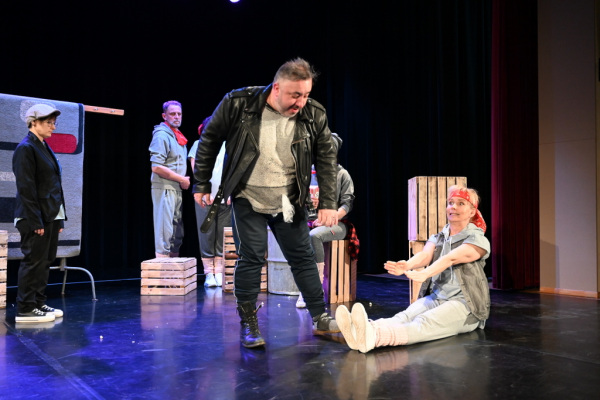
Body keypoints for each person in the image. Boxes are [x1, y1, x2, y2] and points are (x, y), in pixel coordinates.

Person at [193, 57, 341, 348]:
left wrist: (328, 202)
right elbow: (210, 139)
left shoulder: (314, 113)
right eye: (295, 95)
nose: (301, 102)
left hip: (288, 199)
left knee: (302, 257)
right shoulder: (238, 103)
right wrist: (201, 182)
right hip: (248, 196)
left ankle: (319, 316)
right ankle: (249, 324)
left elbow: (326, 156)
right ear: (276, 88)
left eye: (306, 95)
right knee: (251, 257)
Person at [336, 185, 490, 353]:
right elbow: (425, 255)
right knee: (405, 316)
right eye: (451, 202)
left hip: (465, 304)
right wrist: (407, 265)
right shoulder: (439, 236)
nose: (453, 207)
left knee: (425, 321)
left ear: (472, 211)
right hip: (438, 297)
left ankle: (374, 337)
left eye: (461, 203)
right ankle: (361, 331)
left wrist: (425, 273)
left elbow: (451, 258)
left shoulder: (477, 239)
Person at [13, 104, 67, 323]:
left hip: (50, 214)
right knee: (33, 261)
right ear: (34, 122)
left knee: (45, 260)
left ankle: (37, 302)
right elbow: (26, 188)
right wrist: (36, 220)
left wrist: (59, 217)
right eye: (48, 122)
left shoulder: (43, 146)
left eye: (54, 122)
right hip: (34, 216)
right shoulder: (26, 148)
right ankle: (25, 308)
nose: (53, 126)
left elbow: (54, 185)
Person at [296, 132, 355, 308]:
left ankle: (315, 289)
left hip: (336, 223)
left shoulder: (342, 174)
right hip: (310, 220)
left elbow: (347, 204)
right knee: (295, 236)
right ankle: (304, 288)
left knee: (314, 235)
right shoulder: (309, 174)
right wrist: (308, 202)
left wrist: (329, 217)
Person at [188, 116, 231, 287]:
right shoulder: (198, 145)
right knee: (206, 234)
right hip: (205, 197)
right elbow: (196, 170)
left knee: (221, 234)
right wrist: (203, 191)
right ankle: (209, 273)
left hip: (224, 197)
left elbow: (231, 170)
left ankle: (219, 272)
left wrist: (229, 192)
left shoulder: (227, 145)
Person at [149, 100, 189, 258]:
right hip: (165, 187)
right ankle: (163, 269)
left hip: (176, 188)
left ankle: (173, 270)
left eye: (179, 114)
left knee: (176, 232)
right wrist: (182, 179)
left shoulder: (177, 136)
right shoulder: (161, 135)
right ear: (164, 116)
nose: (177, 117)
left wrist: (181, 181)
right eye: (173, 114)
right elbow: (156, 167)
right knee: (164, 232)